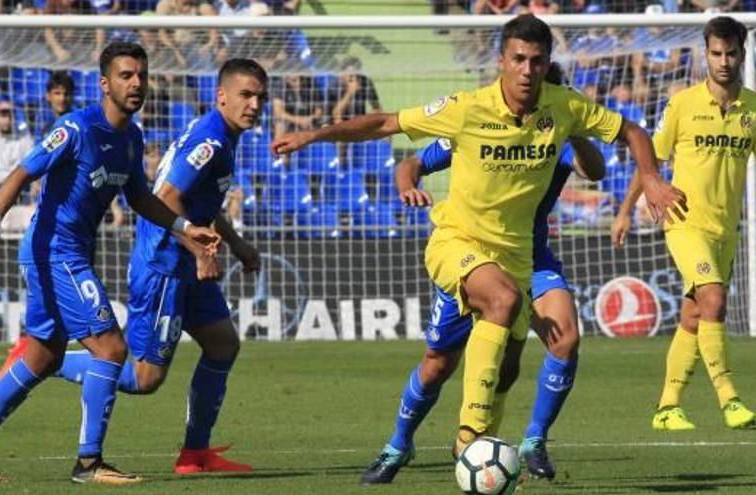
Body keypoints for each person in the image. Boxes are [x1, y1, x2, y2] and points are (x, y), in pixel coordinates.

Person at [272, 13, 683, 461]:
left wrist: (651, 176)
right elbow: (388, 125)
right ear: (501, 61)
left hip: (521, 254)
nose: (527, 70)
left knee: (509, 366)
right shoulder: (467, 109)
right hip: (459, 243)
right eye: (519, 59)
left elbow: (630, 133)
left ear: (548, 64)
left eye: (537, 61)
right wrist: (316, 134)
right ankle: (438, 441)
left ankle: (519, 443)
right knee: (442, 360)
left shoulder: (562, 109)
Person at [0, 42, 221, 484]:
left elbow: (141, 199)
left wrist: (184, 228)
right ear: (104, 83)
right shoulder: (75, 129)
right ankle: (88, 463)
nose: (137, 83)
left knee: (43, 355)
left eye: (141, 75)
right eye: (126, 75)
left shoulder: (131, 138)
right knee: (111, 348)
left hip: (75, 252)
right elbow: (20, 173)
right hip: (55, 249)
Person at [50, 58, 266, 474]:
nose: (254, 104)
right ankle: (48, 359)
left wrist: (237, 244)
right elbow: (167, 196)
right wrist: (203, 252)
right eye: (245, 95)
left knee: (223, 344)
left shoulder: (223, 136)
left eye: (260, 97)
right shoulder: (211, 141)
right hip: (165, 263)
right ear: (222, 96)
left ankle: (195, 454)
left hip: (185, 256)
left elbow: (199, 201)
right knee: (145, 378)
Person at [361, 131, 604, 484]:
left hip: (530, 261)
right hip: (472, 256)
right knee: (437, 365)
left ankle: (532, 440)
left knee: (554, 344)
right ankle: (398, 445)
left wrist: (577, 128)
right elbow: (413, 163)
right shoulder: (480, 123)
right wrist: (407, 187)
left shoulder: (558, 133)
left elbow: (592, 169)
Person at [611, 16, 756, 431]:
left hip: (726, 228)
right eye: (716, 54)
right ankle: (730, 397)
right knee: (714, 299)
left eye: (731, 53)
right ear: (706, 54)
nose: (723, 62)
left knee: (693, 316)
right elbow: (652, 162)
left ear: (742, 54)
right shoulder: (683, 104)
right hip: (684, 221)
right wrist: (626, 208)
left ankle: (667, 408)